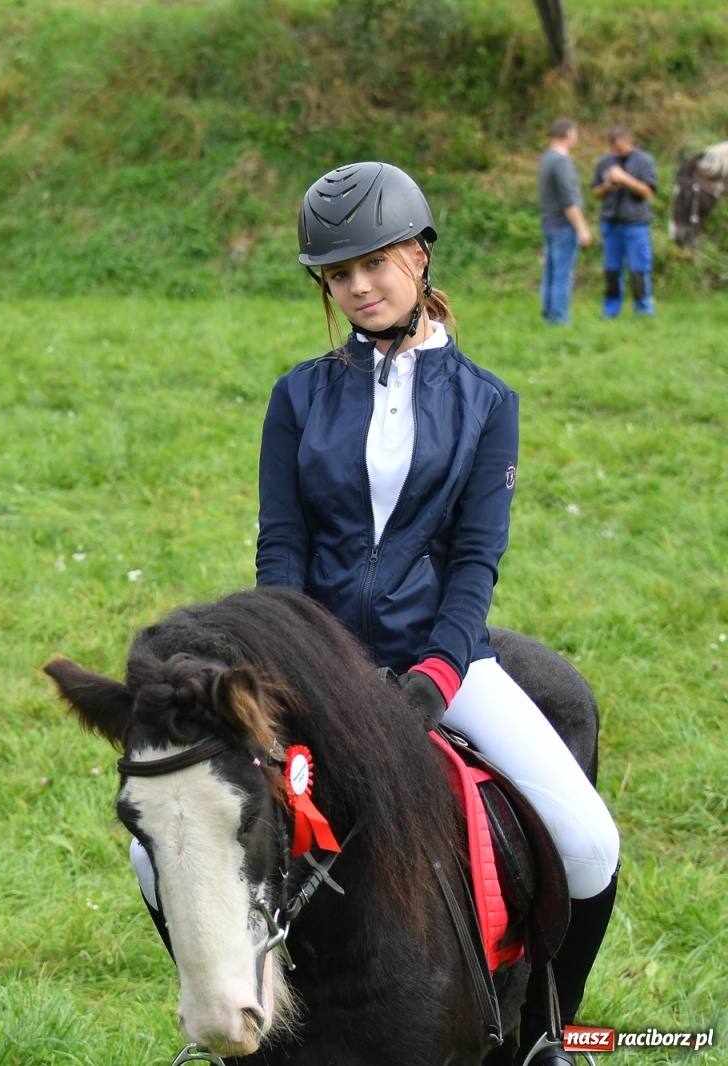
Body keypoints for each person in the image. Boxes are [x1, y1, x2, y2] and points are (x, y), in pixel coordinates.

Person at [256, 162, 620, 1065]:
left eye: (376, 264)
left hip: (446, 664)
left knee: (589, 841)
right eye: (338, 276)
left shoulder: (489, 404)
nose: (359, 288)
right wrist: (295, 670)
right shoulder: (297, 396)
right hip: (318, 669)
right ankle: (237, 1021)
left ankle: (548, 1036)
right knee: (162, 851)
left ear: (420, 256)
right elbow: (280, 554)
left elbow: (473, 564)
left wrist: (437, 676)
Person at [591, 126, 658, 318]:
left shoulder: (645, 161)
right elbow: (595, 193)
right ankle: (610, 311)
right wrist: (607, 186)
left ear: (630, 142)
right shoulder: (604, 162)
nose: (616, 152)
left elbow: (647, 191)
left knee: (638, 269)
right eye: (613, 149)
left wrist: (625, 179)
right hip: (610, 224)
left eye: (619, 148)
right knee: (611, 270)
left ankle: (643, 310)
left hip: (635, 224)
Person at [537, 117, 592, 325]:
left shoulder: (546, 158)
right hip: (563, 225)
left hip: (549, 222)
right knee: (562, 274)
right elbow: (569, 200)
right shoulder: (561, 161)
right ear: (569, 134)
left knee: (551, 271)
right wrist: (582, 228)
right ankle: (559, 318)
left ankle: (549, 315)